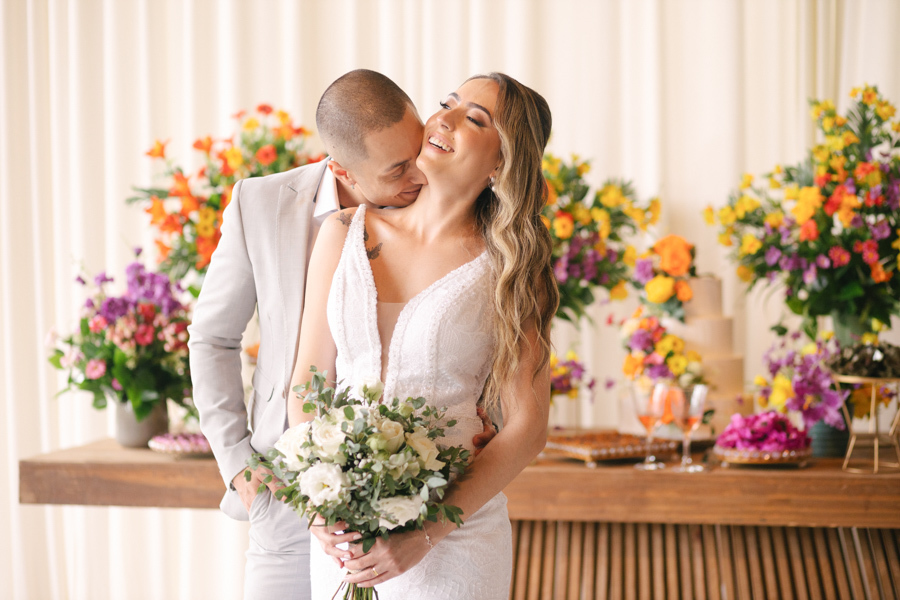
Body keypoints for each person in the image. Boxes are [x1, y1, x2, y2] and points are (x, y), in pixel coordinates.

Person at [290, 72, 557, 599]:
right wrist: (317, 500)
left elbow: (527, 426)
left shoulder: (511, 265)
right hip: (346, 539)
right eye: (448, 103)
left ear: (501, 163)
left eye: (475, 119)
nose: (445, 118)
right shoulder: (343, 232)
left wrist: (426, 533)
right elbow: (310, 381)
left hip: (455, 541)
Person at [189, 70, 427, 600]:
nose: (421, 176)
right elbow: (211, 339)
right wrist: (239, 467)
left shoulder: (439, 208)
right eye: (398, 169)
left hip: (409, 491)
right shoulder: (259, 205)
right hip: (287, 494)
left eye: (420, 152)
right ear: (341, 168)